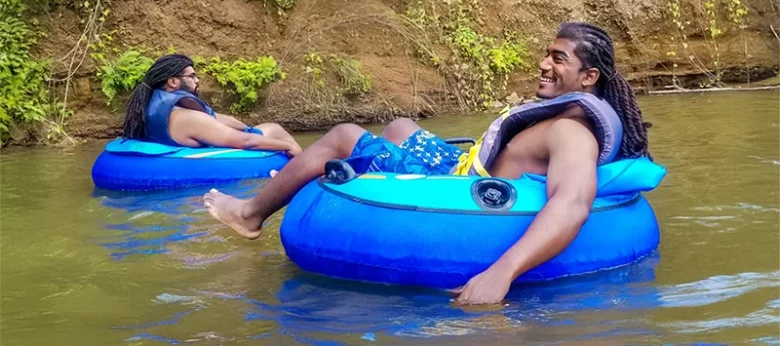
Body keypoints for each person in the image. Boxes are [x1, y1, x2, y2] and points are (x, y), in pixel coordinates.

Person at [203, 22, 651, 304]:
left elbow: (572, 204)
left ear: (588, 77)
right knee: (399, 126)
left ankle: (249, 214)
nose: (543, 64)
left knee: (343, 136)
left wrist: (502, 272)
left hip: (459, 192)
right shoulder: (568, 114)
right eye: (546, 53)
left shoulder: (573, 131)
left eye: (558, 59)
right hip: (463, 165)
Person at [122, 54, 301, 156]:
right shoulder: (186, 118)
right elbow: (245, 141)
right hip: (233, 145)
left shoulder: (147, 107)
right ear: (173, 82)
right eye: (192, 76)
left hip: (177, 145)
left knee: (265, 128)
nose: (197, 80)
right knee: (274, 129)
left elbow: (224, 122)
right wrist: (288, 147)